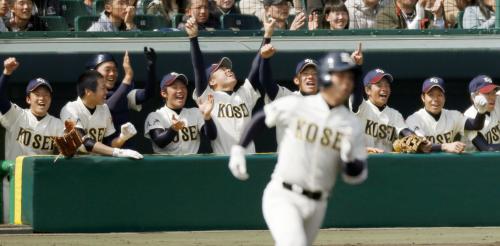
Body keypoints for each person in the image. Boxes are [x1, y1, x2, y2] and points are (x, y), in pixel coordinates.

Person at [228, 51, 368, 246]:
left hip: (318, 204)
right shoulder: (297, 104)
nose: (346, 82)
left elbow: (356, 174)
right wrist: (238, 149)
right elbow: (262, 117)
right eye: (341, 76)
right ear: (326, 76)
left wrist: (349, 162)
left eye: (350, 77)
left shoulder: (351, 124)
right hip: (284, 194)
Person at [187, 16, 265, 154]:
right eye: (222, 69)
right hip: (224, 161)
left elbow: (256, 68)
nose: (228, 70)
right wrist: (193, 38)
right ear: (211, 81)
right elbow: (198, 69)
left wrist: (267, 36)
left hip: (250, 160)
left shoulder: (244, 93)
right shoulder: (208, 97)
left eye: (228, 68)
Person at [0, 57, 64, 224]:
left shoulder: (58, 125)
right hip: (14, 183)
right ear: (28, 99)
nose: (42, 98)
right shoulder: (17, 116)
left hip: (42, 184)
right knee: (13, 230)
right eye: (37, 94)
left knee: (41, 231)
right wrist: (6, 73)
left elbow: (71, 152)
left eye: (46, 95)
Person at [60, 70, 143, 159]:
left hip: (97, 164)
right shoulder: (70, 109)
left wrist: (122, 138)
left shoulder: (104, 108)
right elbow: (83, 142)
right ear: (88, 91)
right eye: (103, 88)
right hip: (74, 166)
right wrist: (118, 152)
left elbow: (110, 144)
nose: (106, 92)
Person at [85, 48, 156, 148]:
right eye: (107, 70)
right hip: (101, 154)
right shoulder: (88, 94)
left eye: (114, 70)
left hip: (126, 152)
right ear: (93, 73)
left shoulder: (122, 90)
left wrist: (151, 67)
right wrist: (128, 77)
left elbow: (147, 94)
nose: (112, 73)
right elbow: (108, 108)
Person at [350, 68, 432, 153]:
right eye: (379, 85)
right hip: (361, 160)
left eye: (387, 85)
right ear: (368, 90)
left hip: (385, 163)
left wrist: (419, 142)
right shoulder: (363, 106)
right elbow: (356, 95)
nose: (384, 88)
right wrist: (356, 69)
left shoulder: (395, 115)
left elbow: (405, 132)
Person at [405, 77, 486, 153]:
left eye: (439, 95)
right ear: (423, 97)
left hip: (446, 165)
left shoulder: (453, 115)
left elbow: (475, 125)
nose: (435, 99)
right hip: (422, 165)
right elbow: (421, 145)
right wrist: (444, 146)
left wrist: (481, 111)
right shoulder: (414, 119)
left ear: (444, 97)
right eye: (431, 95)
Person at [144, 72, 217, 154]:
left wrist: (207, 116)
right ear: (164, 93)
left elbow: (212, 136)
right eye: (175, 87)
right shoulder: (156, 116)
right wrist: (173, 129)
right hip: (166, 165)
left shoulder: (195, 112)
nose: (180, 90)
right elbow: (160, 142)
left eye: (183, 87)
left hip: (190, 164)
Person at [463, 75, 500, 151]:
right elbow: (486, 148)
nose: (492, 97)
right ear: (474, 97)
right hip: (481, 160)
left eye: (493, 92)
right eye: (487, 93)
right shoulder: (468, 117)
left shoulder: (498, 99)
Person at [376, 0, 445, 29]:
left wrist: (438, 17)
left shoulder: (427, 13)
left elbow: (436, 37)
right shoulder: (384, 14)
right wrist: (418, 18)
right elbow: (399, 42)